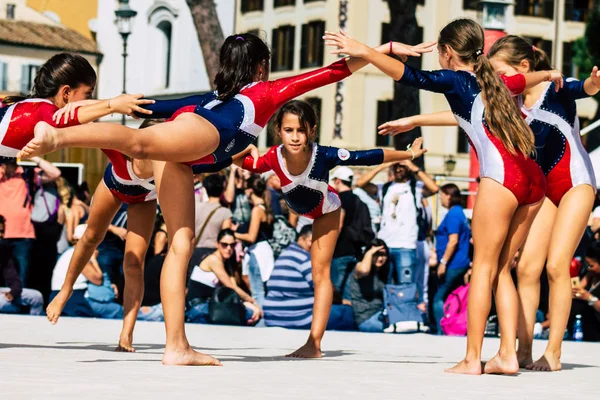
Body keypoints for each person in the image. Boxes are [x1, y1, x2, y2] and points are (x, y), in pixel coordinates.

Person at [19, 33, 433, 366]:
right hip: (202, 134)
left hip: (190, 151)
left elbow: (153, 105)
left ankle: (176, 346)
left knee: (182, 245)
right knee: (141, 143)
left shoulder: (213, 95)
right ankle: (58, 137)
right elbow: (331, 73)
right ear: (260, 66)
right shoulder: (262, 92)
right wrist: (384, 50)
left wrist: (388, 49)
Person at [324, 20, 563, 374]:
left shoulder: (457, 79)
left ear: (448, 53)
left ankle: (471, 359)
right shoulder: (494, 81)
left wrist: (366, 51)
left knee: (482, 268)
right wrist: (547, 73)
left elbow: (409, 76)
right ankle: (508, 355)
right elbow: (519, 81)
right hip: (532, 180)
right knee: (500, 270)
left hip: (502, 179)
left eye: (439, 52)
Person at [383, 35, 600, 370]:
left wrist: (592, 83)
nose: (498, 81)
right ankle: (523, 351)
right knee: (526, 268)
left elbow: (581, 88)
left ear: (524, 68)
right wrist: (415, 120)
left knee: (557, 265)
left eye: (502, 74)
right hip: (543, 188)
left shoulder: (553, 87)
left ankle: (554, 352)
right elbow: (463, 112)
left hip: (576, 183)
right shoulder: (508, 98)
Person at [237, 99, 427, 358]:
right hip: (303, 213)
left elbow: (369, 157)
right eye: (288, 130)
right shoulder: (273, 156)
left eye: (301, 130)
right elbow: (243, 162)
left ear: (311, 130)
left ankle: (313, 343)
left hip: (327, 209)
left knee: (320, 274)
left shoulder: (322, 155)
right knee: (316, 271)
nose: (294, 137)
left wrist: (409, 155)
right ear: (278, 131)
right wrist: (243, 147)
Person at [46, 119, 161, 352]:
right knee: (90, 236)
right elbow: (87, 125)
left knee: (134, 263)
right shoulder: (122, 146)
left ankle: (126, 334)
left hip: (145, 200)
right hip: (115, 186)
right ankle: (66, 290)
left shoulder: (173, 156)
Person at [264, 224, 355, 330]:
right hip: (296, 318)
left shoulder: (285, 254)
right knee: (345, 312)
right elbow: (327, 288)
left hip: (272, 316)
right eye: (312, 241)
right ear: (301, 238)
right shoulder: (305, 259)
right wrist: (340, 301)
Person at [0, 157, 60, 287]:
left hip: (24, 234)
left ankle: (21, 305)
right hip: (1, 234)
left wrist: (33, 157)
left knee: (22, 278)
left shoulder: (27, 174)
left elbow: (55, 173)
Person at [186, 229, 261, 325]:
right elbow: (231, 287)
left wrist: (245, 303)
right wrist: (253, 302)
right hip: (198, 307)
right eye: (224, 245)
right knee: (250, 313)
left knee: (248, 312)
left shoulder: (226, 263)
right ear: (217, 244)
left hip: (210, 306)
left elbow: (233, 289)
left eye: (232, 245)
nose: (228, 248)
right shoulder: (213, 260)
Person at [49, 224, 123, 319]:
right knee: (117, 310)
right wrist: (94, 260)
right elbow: (97, 279)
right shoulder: (79, 254)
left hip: (64, 295)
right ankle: (146, 313)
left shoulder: (68, 252)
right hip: (74, 299)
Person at [433, 184, 471, 334]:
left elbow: (453, 240)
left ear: (448, 196)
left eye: (441, 195)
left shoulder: (453, 214)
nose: (440, 199)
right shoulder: (459, 213)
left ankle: (441, 329)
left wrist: (443, 262)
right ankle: (454, 325)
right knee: (454, 296)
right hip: (460, 262)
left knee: (438, 297)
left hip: (453, 264)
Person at [330, 166, 374, 296]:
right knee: (349, 294)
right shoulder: (360, 201)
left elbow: (338, 224)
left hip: (340, 252)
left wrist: (329, 246)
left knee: (334, 292)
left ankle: (334, 316)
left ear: (338, 181)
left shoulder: (338, 199)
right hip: (355, 252)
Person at [234, 174, 273, 308]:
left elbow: (251, 237)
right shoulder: (266, 208)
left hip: (257, 252)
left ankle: (261, 323)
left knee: (257, 292)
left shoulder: (257, 210)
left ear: (250, 190)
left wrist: (234, 234)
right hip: (264, 252)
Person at [0, 215, 44, 315]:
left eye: (2, 232)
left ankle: (34, 327)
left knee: (37, 297)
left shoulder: (3, 252)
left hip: (2, 293)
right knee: (4, 304)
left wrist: (13, 292)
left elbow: (13, 278)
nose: (1, 235)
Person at [346, 239, 391, 332]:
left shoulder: (382, 272)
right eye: (376, 254)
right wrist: (370, 252)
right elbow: (364, 270)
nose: (380, 258)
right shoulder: (359, 267)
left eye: (383, 255)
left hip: (381, 315)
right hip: (366, 318)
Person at [570, 241, 600, 342]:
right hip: (582, 330)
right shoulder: (590, 276)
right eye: (587, 264)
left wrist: (589, 297)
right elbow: (577, 290)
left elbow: (585, 295)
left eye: (591, 265)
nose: (588, 268)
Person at [193, 173, 232, 251]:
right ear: (222, 189)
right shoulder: (225, 212)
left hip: (195, 251)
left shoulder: (196, 207)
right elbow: (225, 237)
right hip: (213, 252)